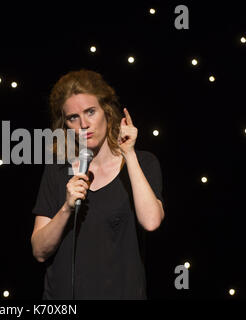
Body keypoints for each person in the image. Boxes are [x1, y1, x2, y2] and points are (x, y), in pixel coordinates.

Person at [31, 69, 165, 299]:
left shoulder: (143, 162)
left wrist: (129, 155)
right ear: (65, 124)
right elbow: (39, 251)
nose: (83, 124)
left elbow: (151, 222)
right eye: (73, 117)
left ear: (107, 111)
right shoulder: (58, 170)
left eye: (90, 112)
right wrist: (66, 208)